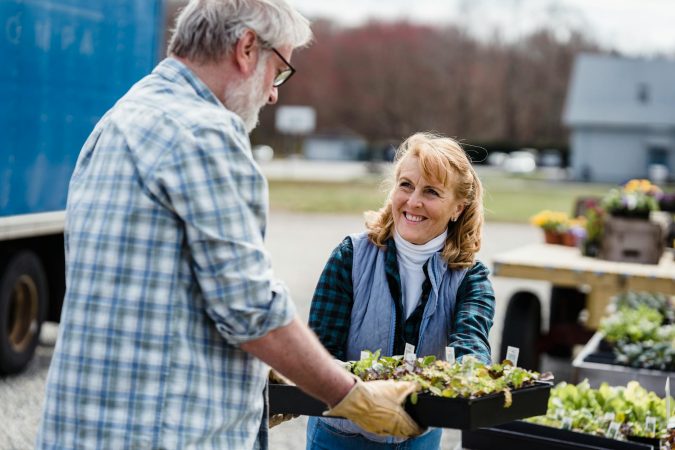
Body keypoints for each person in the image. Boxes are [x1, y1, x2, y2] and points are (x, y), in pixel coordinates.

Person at [35, 1, 423, 448]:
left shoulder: (121, 117)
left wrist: (266, 372)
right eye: (278, 71)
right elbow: (253, 312)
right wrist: (353, 398)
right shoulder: (205, 133)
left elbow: (155, 291)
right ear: (245, 48)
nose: (274, 93)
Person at [307, 132, 496, 449]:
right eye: (406, 185)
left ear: (457, 208)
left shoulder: (470, 278)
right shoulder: (351, 256)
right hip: (342, 435)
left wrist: (473, 378)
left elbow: (471, 341)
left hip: (417, 438)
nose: (413, 201)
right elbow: (322, 350)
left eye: (432, 192)